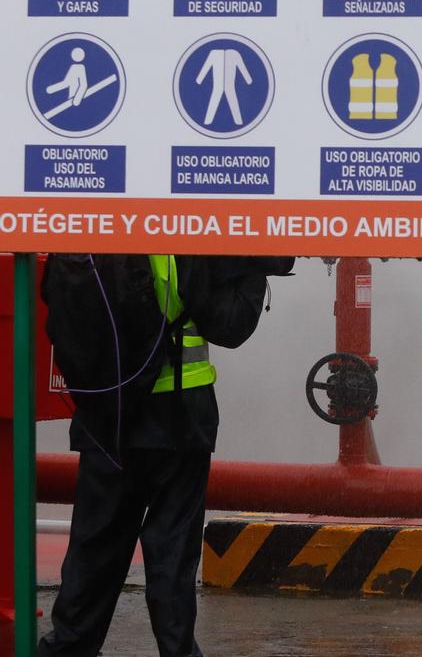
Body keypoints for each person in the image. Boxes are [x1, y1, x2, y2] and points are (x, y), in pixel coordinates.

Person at [40, 254, 293, 657]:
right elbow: (227, 326)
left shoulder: (90, 228)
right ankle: (177, 651)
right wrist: (254, 266)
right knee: (171, 554)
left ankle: (68, 647)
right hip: (178, 417)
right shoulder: (182, 235)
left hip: (106, 418)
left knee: (94, 551)